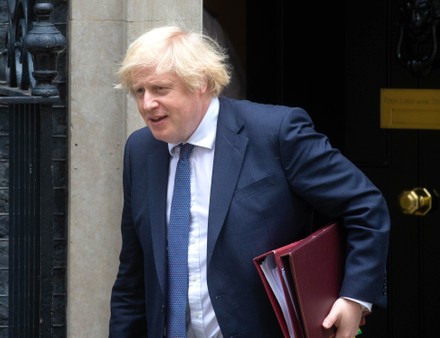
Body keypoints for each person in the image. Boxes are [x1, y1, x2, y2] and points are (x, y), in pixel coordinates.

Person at [109, 25, 391, 338]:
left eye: (160, 89)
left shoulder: (275, 132)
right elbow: (133, 275)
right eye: (139, 91)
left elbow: (365, 205)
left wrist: (353, 299)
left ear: (200, 82)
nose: (147, 104)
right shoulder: (140, 150)